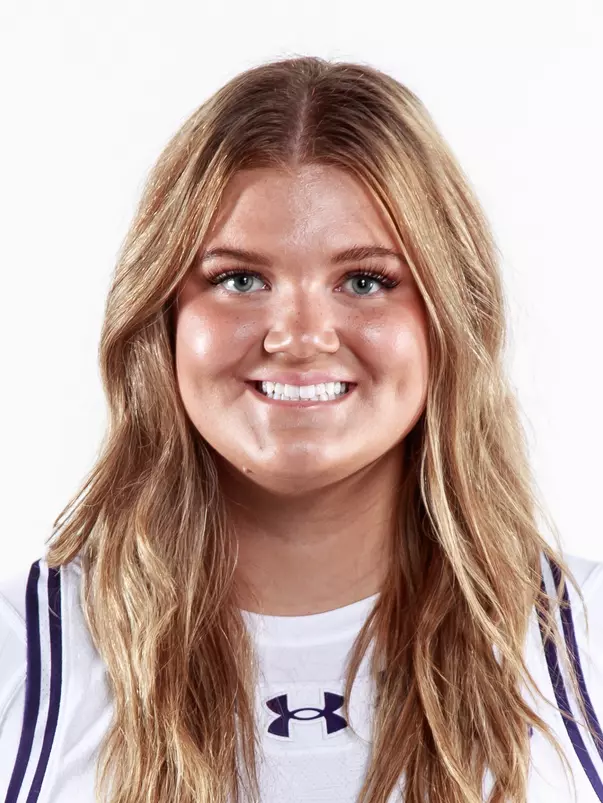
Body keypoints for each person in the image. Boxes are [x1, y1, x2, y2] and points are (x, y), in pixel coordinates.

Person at [0, 55, 602, 803]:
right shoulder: (23, 653)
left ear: (449, 317)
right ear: (162, 317)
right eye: (239, 279)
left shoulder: (582, 644)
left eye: (364, 281)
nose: (299, 335)